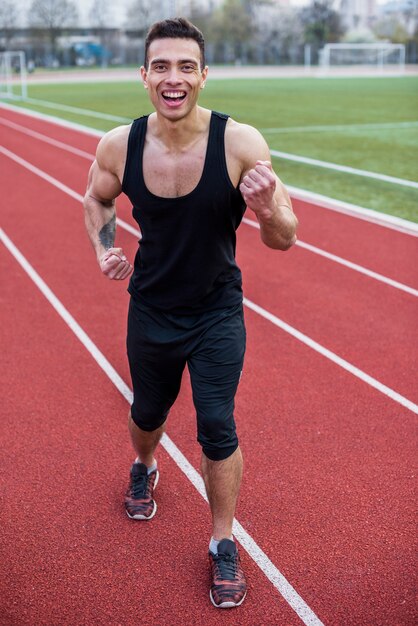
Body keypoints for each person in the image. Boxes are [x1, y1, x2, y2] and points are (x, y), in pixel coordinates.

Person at [83, 17, 298, 609]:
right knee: (148, 412)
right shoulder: (117, 146)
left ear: (203, 75)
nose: (172, 78)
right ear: (144, 76)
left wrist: (265, 210)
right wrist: (106, 248)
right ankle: (144, 462)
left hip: (215, 312)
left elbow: (286, 236)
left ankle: (222, 542)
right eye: (161, 66)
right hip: (150, 307)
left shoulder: (240, 144)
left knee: (216, 425)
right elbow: (98, 198)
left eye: (185, 66)